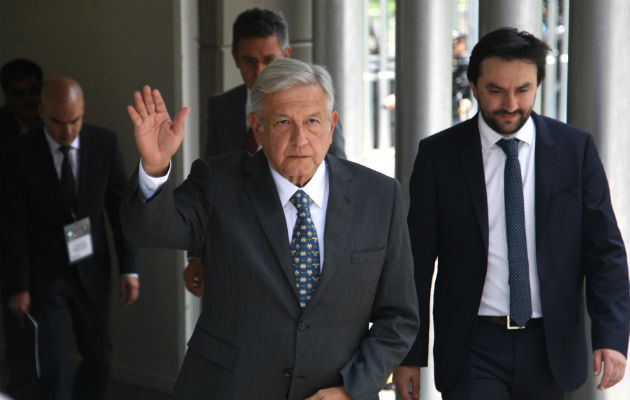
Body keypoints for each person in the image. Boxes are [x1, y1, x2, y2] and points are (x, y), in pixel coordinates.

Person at [122, 58, 418, 399]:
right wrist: (156, 166)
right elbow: (150, 230)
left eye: (312, 122)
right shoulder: (219, 183)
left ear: (331, 124)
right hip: (228, 388)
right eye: (282, 122)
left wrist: (352, 389)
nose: (300, 139)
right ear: (257, 127)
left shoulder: (379, 196)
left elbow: (398, 318)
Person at [395, 28, 629, 400]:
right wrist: (409, 354)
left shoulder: (575, 149)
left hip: (551, 344)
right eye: (496, 90)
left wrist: (612, 336)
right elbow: (416, 263)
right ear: (473, 86)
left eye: (523, 90)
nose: (510, 103)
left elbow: (605, 250)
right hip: (472, 346)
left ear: (538, 85)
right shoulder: (439, 157)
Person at [183, 8, 348, 296]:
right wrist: (196, 255)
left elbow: (338, 173)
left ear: (285, 54)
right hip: (235, 248)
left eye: (269, 60)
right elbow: (206, 186)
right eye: (249, 61)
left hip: (297, 239)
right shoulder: (221, 107)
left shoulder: (312, 107)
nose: (259, 71)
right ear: (234, 58)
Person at [4, 77, 139, 400]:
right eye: (57, 122)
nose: (67, 131)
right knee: (53, 364)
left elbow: (120, 211)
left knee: (100, 357)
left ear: (83, 111)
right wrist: (18, 285)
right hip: (43, 271)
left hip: (90, 266)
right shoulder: (19, 152)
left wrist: (129, 268)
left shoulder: (104, 144)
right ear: (41, 111)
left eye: (74, 120)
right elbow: (14, 224)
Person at [0, 59, 43, 140]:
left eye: (33, 91)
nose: (28, 99)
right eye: (19, 94)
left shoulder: (56, 120)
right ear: (6, 96)